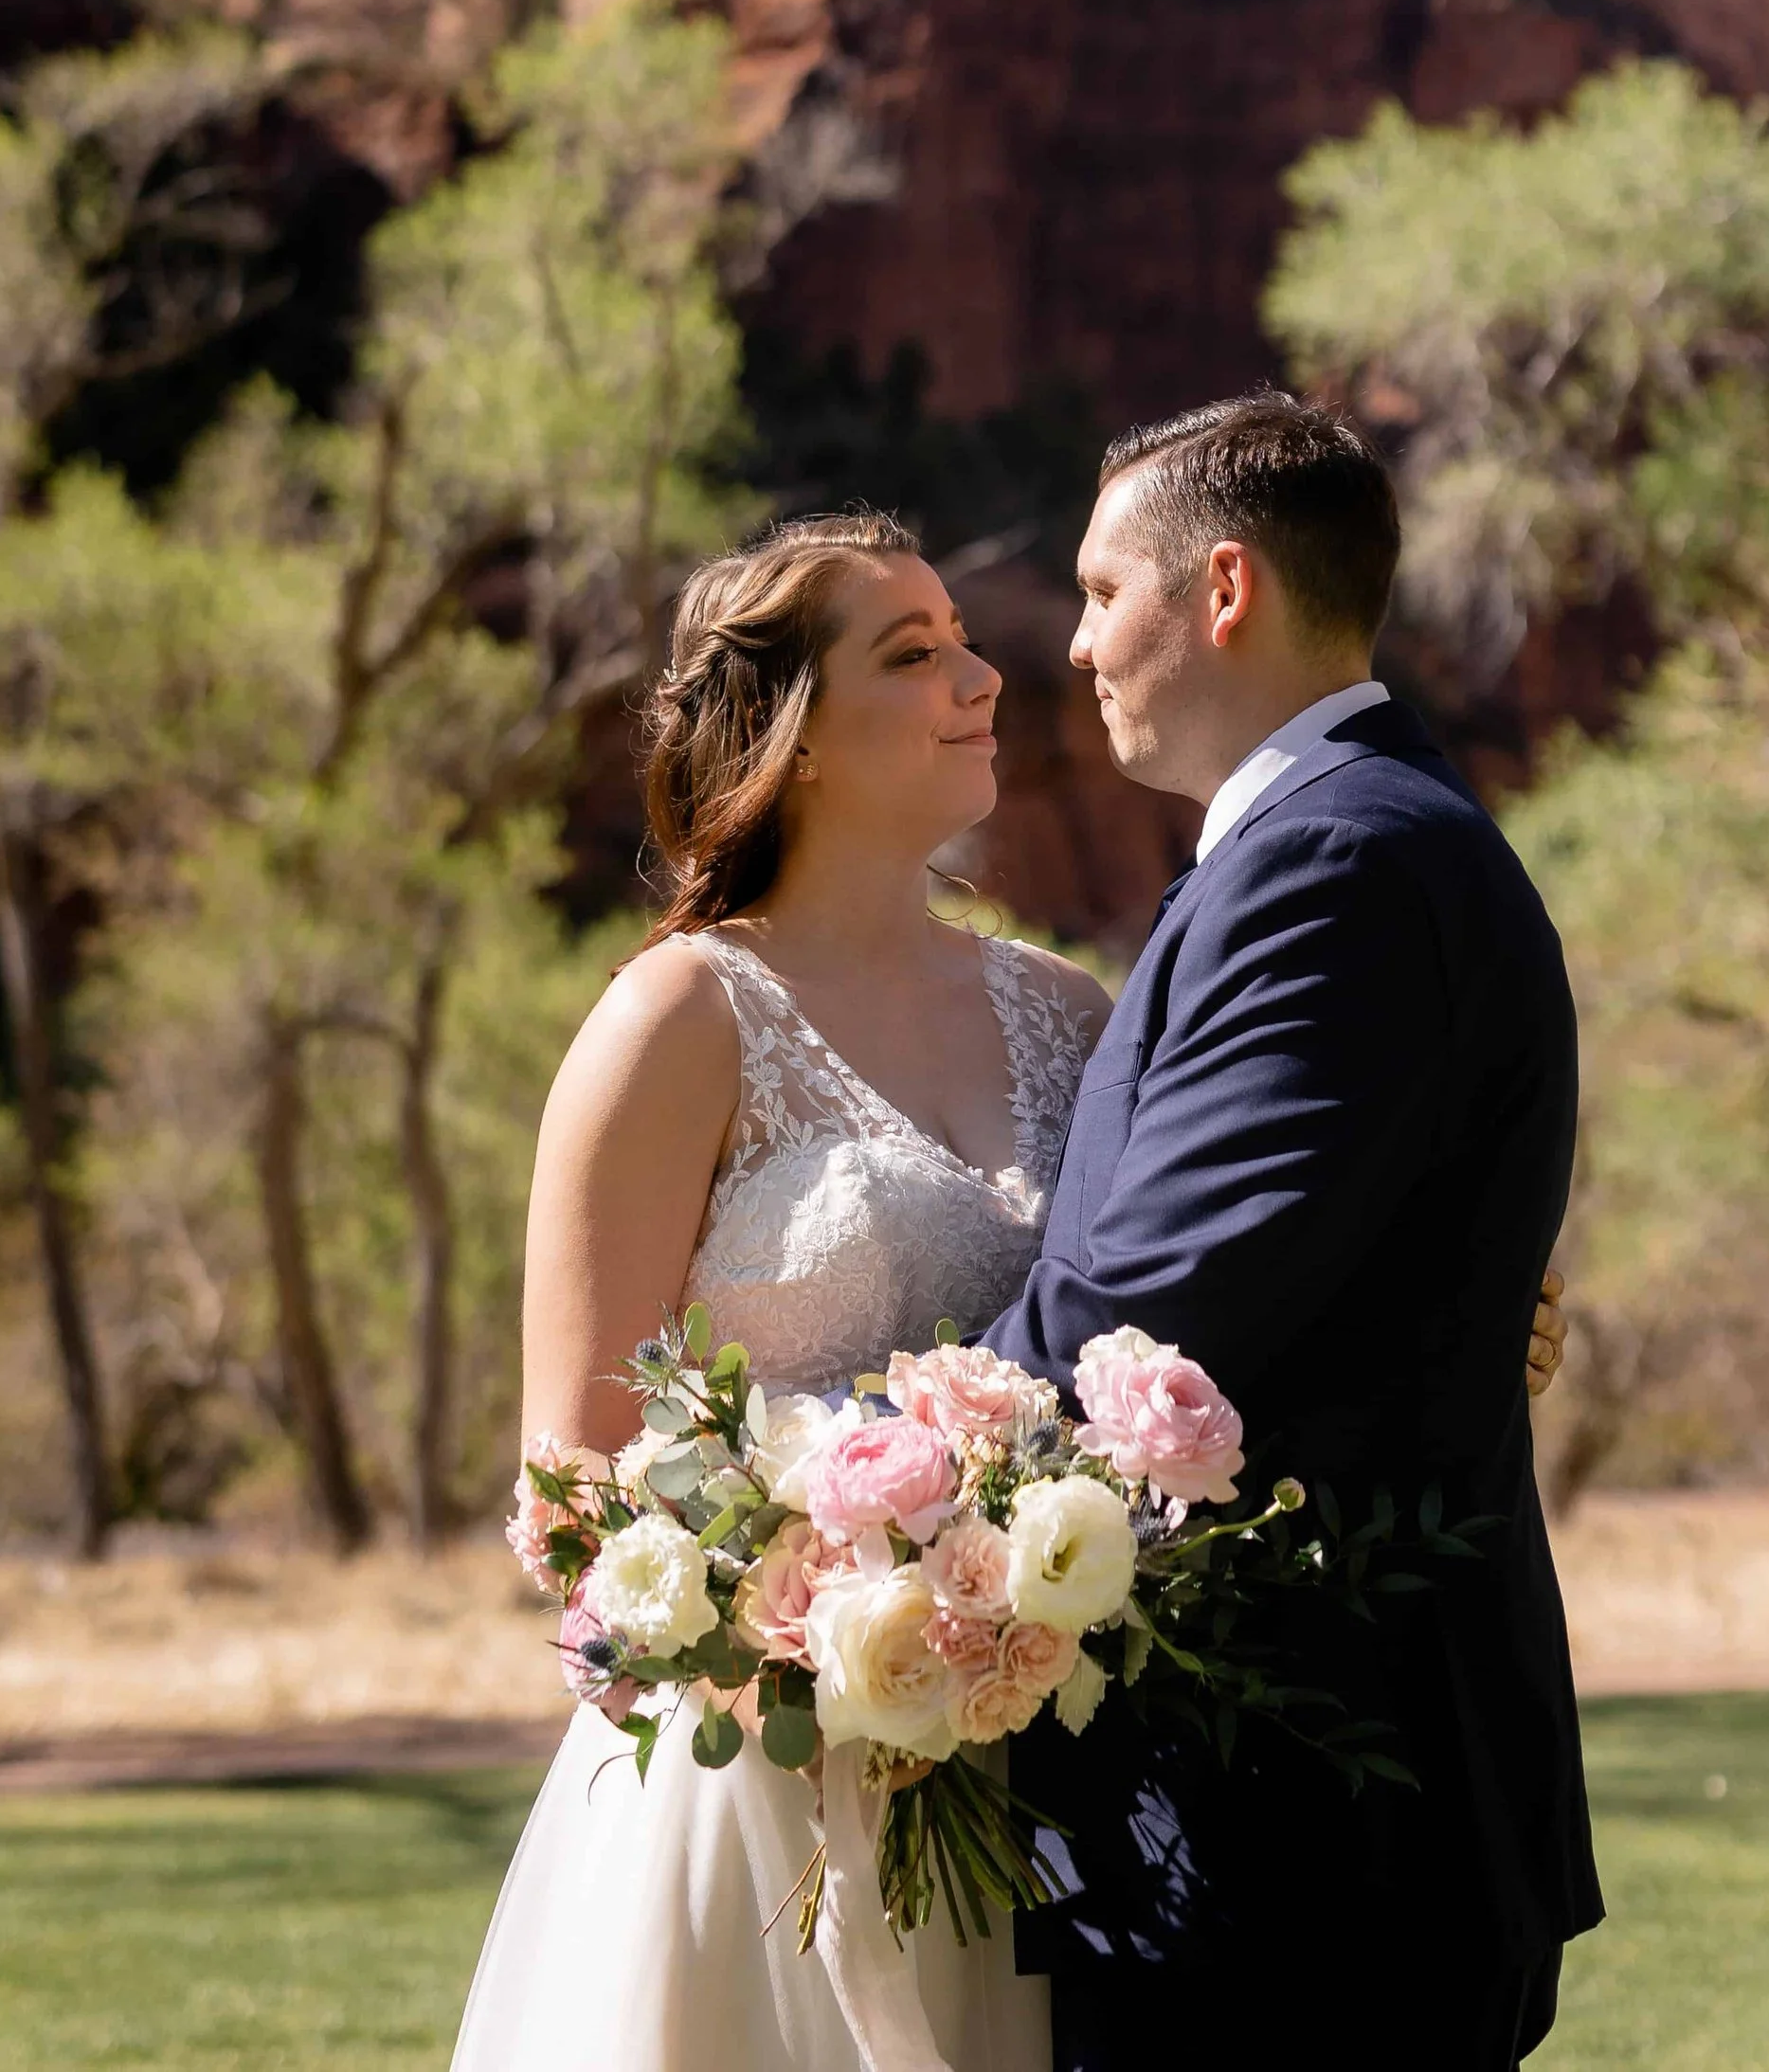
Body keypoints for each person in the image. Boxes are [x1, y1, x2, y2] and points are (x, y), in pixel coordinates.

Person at [451, 447, 1580, 2072]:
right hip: (766, 1784)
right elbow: (573, 1475)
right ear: (789, 732)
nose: (990, 673)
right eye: (911, 653)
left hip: (1033, 1746)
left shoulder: (1067, 1009)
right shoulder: (675, 1021)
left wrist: (1465, 1302)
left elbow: (1212, 1282)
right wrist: (787, 1603)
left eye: (965, 635)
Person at [984, 392, 1601, 2069]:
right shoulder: (1339, 838)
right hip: (1292, 1807)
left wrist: (827, 1488)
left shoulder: (1333, 861)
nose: (1080, 645)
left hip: (1319, 1811)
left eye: (1109, 593)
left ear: (1226, 588)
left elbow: (1146, 1316)